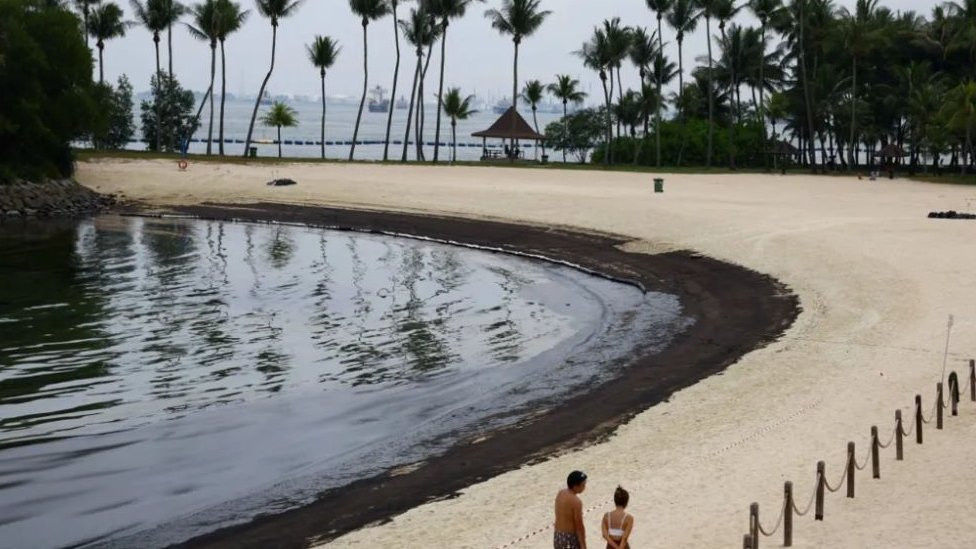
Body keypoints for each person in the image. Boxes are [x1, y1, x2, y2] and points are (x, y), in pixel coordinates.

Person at [554, 470, 587, 549]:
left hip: (558, 535)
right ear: (575, 486)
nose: (584, 487)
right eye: (583, 485)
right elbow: (579, 526)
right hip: (569, 538)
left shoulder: (560, 493)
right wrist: (583, 545)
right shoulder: (576, 502)